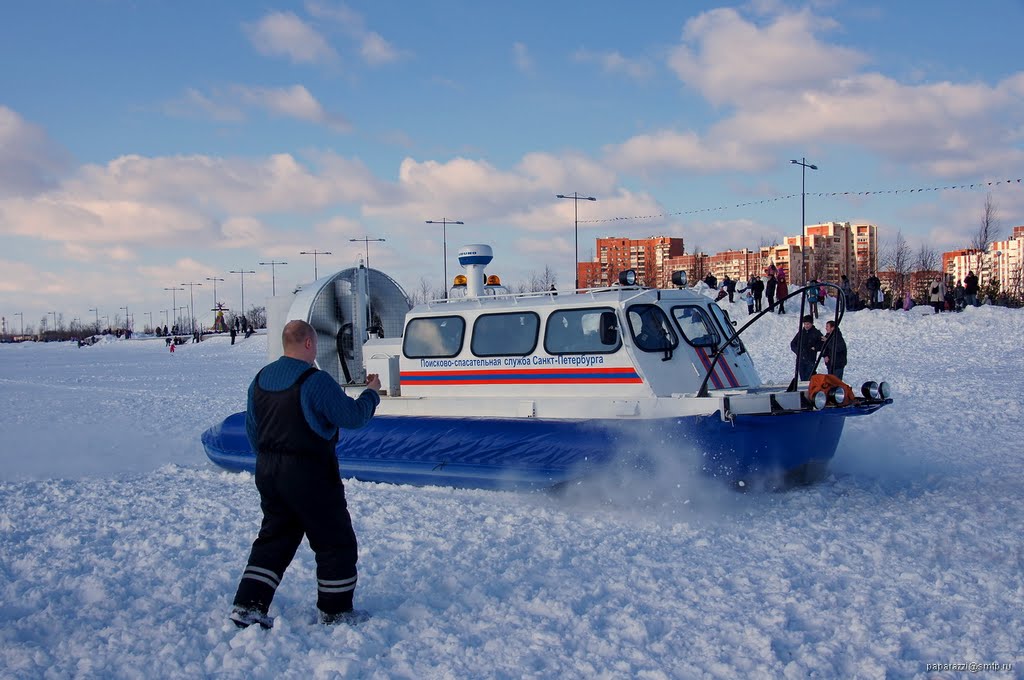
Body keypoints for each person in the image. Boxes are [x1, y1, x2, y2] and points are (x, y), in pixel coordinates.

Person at [230, 320, 381, 629]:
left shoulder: (259, 379)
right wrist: (371, 394)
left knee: (274, 539)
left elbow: (252, 431)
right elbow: (351, 418)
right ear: (309, 344)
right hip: (311, 474)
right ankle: (336, 611)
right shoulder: (315, 381)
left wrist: (272, 463)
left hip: (269, 473)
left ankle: (248, 606)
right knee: (334, 541)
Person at [790, 314, 823, 380]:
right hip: (801, 359)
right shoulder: (801, 332)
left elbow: (822, 343)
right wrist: (798, 351)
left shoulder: (816, 333)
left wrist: (815, 348)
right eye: (805, 324)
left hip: (811, 359)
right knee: (802, 376)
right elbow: (793, 344)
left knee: (809, 376)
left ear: (811, 323)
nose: (806, 326)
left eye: (808, 324)